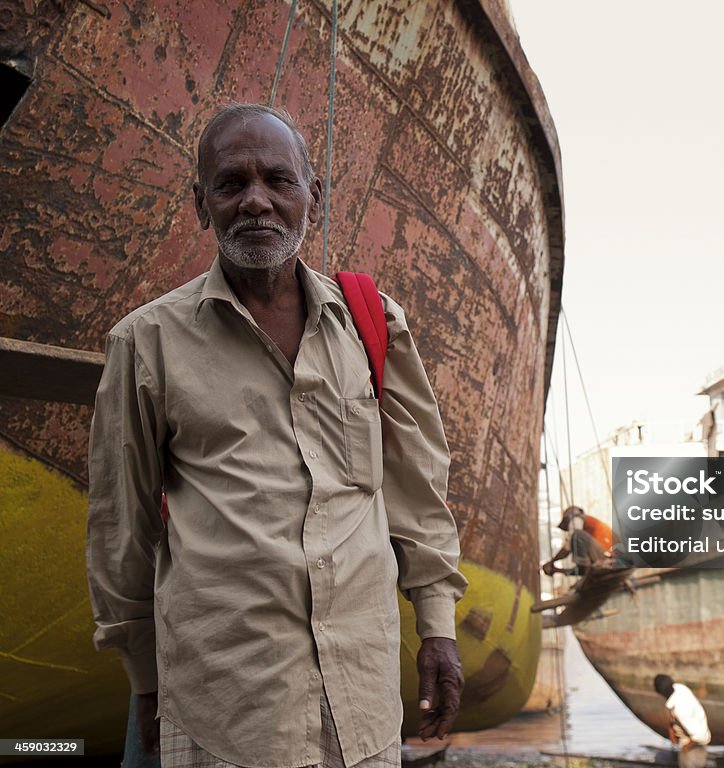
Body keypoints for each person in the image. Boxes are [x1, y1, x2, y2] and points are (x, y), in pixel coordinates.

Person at [87, 103, 467, 768]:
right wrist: (145, 681)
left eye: (278, 182)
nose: (256, 203)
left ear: (311, 197)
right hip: (226, 711)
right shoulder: (147, 342)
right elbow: (121, 527)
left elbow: (417, 491)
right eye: (231, 185)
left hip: (364, 704)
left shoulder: (373, 323)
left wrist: (437, 630)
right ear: (201, 203)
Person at [654, 674, 711, 768]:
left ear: (660, 693)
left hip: (693, 748)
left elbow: (699, 736)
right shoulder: (680, 688)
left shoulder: (680, 710)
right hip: (694, 741)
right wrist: (671, 728)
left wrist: (684, 748)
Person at [541, 505, 616, 575]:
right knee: (583, 564)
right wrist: (557, 570)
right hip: (606, 558)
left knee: (577, 536)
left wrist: (551, 561)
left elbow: (567, 547)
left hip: (609, 556)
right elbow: (581, 570)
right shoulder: (586, 546)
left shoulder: (577, 519)